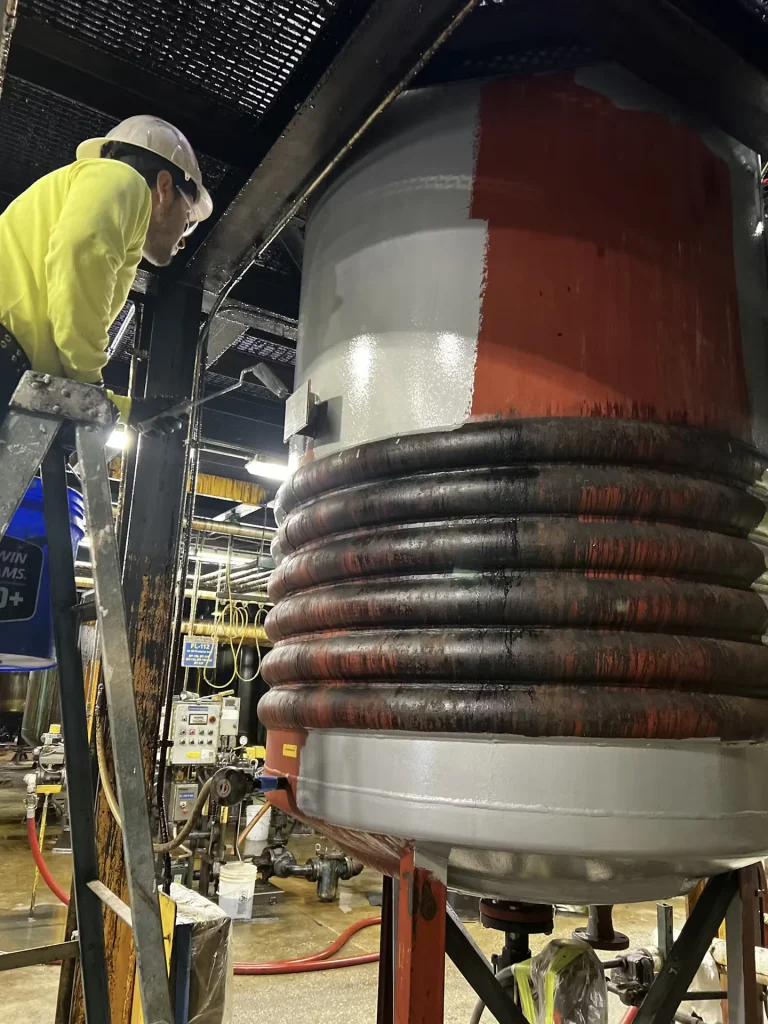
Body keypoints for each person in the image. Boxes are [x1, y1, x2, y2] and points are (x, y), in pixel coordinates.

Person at [0, 115, 212, 431]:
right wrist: (91, 393)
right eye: (188, 219)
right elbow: (77, 255)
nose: (183, 238)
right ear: (164, 188)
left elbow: (65, 328)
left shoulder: (98, 200)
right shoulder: (122, 180)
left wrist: (126, 410)